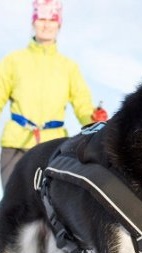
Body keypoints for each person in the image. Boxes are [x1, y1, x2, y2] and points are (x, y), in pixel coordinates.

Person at [0, 0, 107, 189]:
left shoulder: (68, 68)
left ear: (59, 24)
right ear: (33, 22)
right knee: (14, 208)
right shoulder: (13, 61)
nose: (46, 24)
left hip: (51, 148)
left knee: (47, 207)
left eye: (51, 19)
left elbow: (82, 104)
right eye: (41, 18)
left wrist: (93, 116)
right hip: (16, 145)